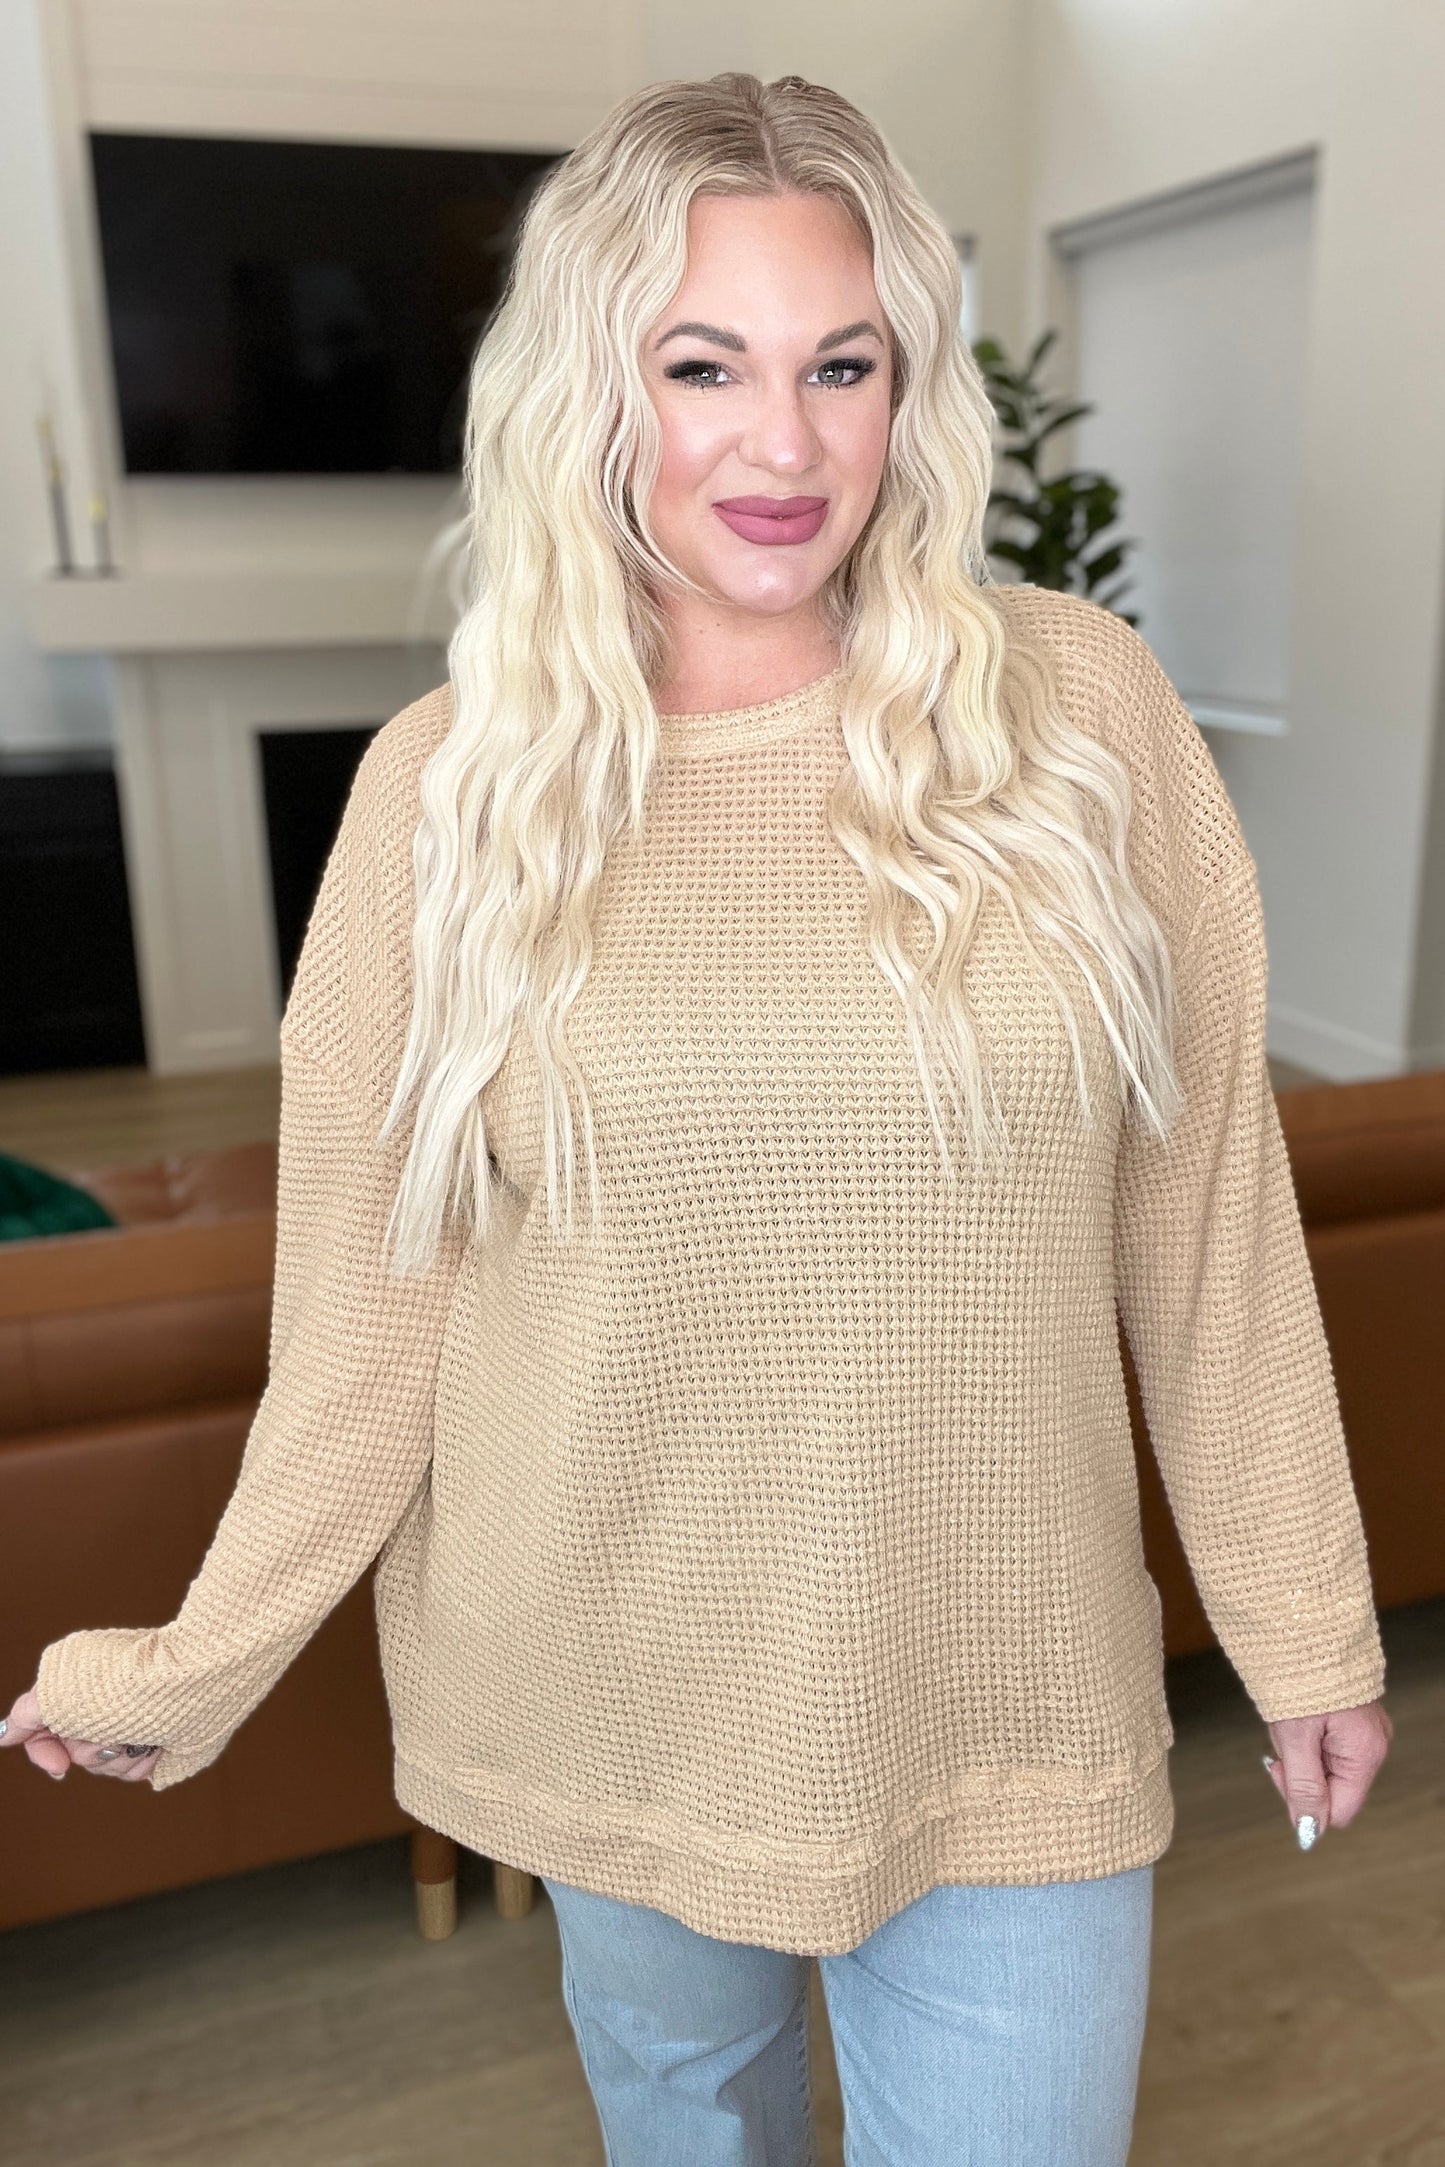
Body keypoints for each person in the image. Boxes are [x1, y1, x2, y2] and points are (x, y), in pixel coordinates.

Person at [3, 71, 1392, 2167]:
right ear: (592, 386)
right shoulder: (445, 791)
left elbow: (1207, 1227)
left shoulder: (1081, 713)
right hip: (609, 1691)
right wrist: (195, 1662)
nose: (785, 443)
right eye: (702, 364)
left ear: (909, 386)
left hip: (1005, 1686)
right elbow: (370, 1326)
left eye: (842, 363)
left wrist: (1302, 1620)